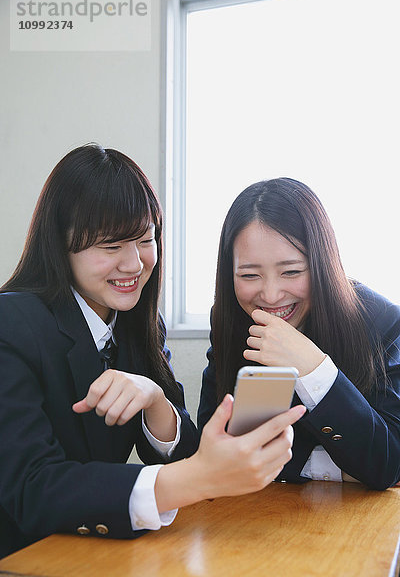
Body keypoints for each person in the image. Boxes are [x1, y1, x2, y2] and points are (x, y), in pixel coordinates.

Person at [0, 146, 305, 559]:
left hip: (87, 550)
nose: (134, 264)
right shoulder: (11, 323)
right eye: (110, 247)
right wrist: (195, 478)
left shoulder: (138, 322)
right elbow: (32, 489)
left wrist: (156, 400)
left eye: (145, 240)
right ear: (60, 246)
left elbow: (186, 452)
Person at [198, 177, 400, 490]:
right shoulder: (231, 318)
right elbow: (213, 448)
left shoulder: (381, 321)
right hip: (256, 521)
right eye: (249, 275)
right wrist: (332, 467)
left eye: (291, 271)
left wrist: (314, 369)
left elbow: (390, 463)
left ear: (321, 263)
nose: (271, 295)